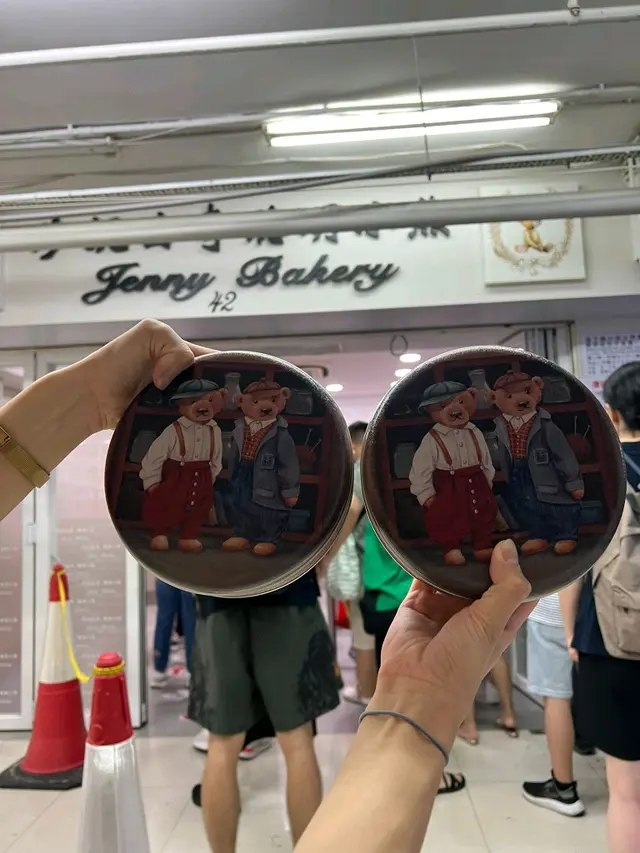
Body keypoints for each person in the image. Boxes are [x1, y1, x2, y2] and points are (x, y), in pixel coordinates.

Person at [0, 320, 537, 853]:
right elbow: (325, 506)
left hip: (216, 600)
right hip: (289, 601)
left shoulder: (235, 439)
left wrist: (81, 402)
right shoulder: (244, 440)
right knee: (295, 741)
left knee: (223, 744)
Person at [188, 566, 341, 853]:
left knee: (222, 744)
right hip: (288, 587)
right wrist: (319, 561)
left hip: (217, 593)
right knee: (297, 741)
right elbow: (338, 534)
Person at [562, 361, 640, 853]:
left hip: (608, 641)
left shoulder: (599, 476)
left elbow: (574, 568)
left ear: (611, 414)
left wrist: (573, 635)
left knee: (626, 794)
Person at [359, 521, 466, 796]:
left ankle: (391, 767)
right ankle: (423, 774)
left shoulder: (375, 509)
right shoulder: (410, 510)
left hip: (381, 599)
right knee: (420, 696)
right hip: (410, 603)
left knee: (392, 693)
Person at [320, 421, 377, 706]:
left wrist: (332, 550)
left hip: (364, 562)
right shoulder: (383, 470)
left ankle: (367, 691)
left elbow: (353, 508)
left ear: (354, 447)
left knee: (362, 629)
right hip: (389, 565)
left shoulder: (358, 471)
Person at [521, 593, 585, 816]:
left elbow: (569, 577)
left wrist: (569, 632)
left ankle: (563, 788)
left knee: (556, 698)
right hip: (605, 615)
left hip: (556, 615)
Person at [151, 579, 196, 689]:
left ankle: (159, 670)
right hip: (190, 575)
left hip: (165, 574)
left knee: (164, 619)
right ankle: (193, 673)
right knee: (191, 621)